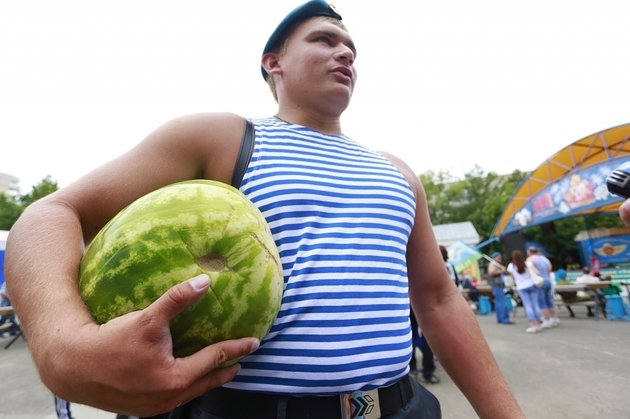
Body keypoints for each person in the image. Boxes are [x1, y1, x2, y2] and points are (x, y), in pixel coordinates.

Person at [4, 1, 524, 418]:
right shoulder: (227, 137)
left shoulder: (397, 171)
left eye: (351, 48)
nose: (345, 53)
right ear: (272, 63)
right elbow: (51, 214)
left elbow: (437, 301)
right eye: (324, 39)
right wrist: (63, 349)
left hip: (401, 408)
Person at [507, 250, 544, 333]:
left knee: (528, 306)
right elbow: (537, 273)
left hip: (521, 287)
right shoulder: (528, 263)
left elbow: (513, 278)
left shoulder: (511, 266)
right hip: (532, 285)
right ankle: (538, 325)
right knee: (535, 305)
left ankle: (532, 325)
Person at [526, 246, 559, 328]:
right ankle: (553, 319)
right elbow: (549, 269)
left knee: (542, 302)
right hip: (548, 280)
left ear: (529, 252)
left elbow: (534, 271)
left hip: (539, 282)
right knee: (549, 300)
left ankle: (546, 320)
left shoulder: (530, 260)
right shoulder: (544, 259)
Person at [487, 252, 512, 324]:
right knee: (502, 302)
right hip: (497, 285)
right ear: (495, 257)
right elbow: (491, 272)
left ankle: (501, 318)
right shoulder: (493, 264)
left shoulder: (496, 264)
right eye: (499, 257)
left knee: (499, 302)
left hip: (498, 285)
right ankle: (504, 318)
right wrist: (502, 271)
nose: (500, 259)